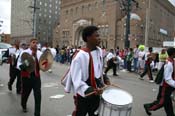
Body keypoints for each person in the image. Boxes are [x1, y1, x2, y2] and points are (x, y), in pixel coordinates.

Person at [65, 26, 110, 116]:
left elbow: (99, 68)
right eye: (96, 36)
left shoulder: (99, 51)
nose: (99, 38)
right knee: (80, 113)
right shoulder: (79, 56)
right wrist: (89, 90)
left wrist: (104, 77)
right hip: (83, 94)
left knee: (95, 112)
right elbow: (76, 80)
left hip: (96, 91)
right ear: (88, 38)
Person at [143, 47, 175, 116]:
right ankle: (148, 107)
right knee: (162, 102)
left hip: (169, 86)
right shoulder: (169, 64)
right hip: (166, 86)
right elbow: (167, 79)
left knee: (167, 103)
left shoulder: (172, 61)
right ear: (173, 54)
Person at [17, 38, 43, 116]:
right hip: (27, 77)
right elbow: (19, 64)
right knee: (25, 94)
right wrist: (26, 63)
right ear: (30, 43)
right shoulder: (24, 53)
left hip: (36, 77)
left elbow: (44, 63)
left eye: (36, 43)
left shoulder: (39, 53)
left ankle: (37, 114)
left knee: (38, 96)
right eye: (33, 42)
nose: (35, 44)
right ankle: (23, 104)